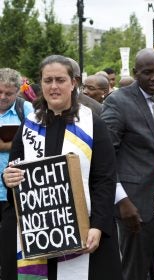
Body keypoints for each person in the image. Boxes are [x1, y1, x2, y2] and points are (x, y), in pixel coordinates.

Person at [1, 55, 122, 280]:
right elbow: (13, 170)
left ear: (73, 83)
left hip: (83, 229)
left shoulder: (92, 123)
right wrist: (9, 178)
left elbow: (105, 179)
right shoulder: (29, 124)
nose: (54, 86)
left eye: (60, 80)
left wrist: (98, 226)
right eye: (48, 81)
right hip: (35, 231)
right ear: (41, 83)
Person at [101, 48, 154, 280]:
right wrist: (121, 201)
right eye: (148, 73)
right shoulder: (118, 101)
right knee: (135, 270)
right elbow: (106, 156)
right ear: (136, 73)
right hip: (135, 206)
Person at [0, 68, 33, 223]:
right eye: (0, 91)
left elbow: (38, 141)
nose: (3, 97)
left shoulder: (26, 110)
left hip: (16, 189)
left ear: (18, 92)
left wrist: (5, 146)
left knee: (10, 242)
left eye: (9, 94)